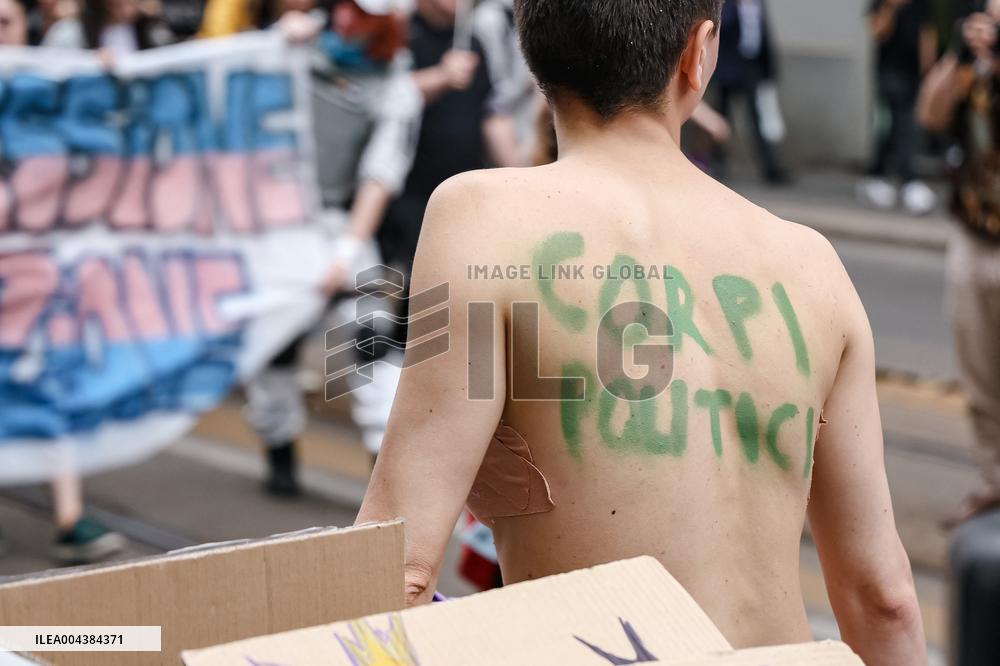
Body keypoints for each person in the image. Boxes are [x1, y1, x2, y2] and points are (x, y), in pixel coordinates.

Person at [355, 0, 927, 662]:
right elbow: (882, 597)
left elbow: (399, 572)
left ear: (529, 50)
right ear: (699, 52)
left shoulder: (481, 221)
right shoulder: (811, 265)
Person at [244, 0, 422, 494]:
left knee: (375, 353)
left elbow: (380, 176)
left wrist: (345, 252)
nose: (348, 19)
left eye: (364, 12)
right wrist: (274, 45)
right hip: (275, 225)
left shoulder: (397, 85)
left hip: (341, 226)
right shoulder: (299, 42)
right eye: (345, 5)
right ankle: (279, 451)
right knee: (272, 349)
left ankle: (387, 490)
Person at [0, 0, 127, 565]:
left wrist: (100, 88)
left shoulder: (51, 91)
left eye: (5, 23)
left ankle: (70, 517)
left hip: (34, 267)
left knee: (51, 380)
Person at [919, 0, 1000, 520]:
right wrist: (957, 57)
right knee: (979, 378)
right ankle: (995, 484)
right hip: (972, 234)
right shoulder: (974, 63)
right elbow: (930, 113)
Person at [859, 0, 939, 214]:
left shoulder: (919, 5)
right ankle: (878, 175)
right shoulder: (881, 4)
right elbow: (878, 32)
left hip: (912, 75)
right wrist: (890, 7)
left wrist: (929, 72)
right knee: (886, 127)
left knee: (909, 127)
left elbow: (927, 33)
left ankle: (908, 179)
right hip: (888, 75)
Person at [711, 0, 789, 184]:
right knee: (721, 118)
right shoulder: (727, 6)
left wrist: (769, 70)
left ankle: (769, 166)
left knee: (757, 118)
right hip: (727, 69)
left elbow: (765, 36)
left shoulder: (758, 5)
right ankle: (718, 162)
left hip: (750, 67)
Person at [42, 0, 174, 53]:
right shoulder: (68, 32)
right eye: (118, 6)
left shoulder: (150, 28)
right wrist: (91, 63)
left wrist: (157, 17)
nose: (128, 10)